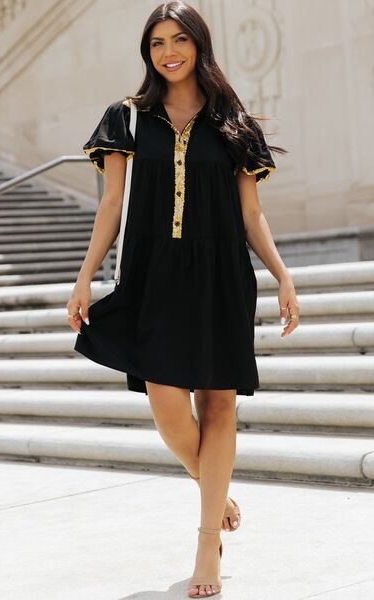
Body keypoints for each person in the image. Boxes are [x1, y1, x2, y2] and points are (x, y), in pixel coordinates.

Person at [67, 1, 300, 596]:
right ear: (147, 52)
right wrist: (85, 276)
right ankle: (216, 493)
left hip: (221, 275)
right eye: (157, 43)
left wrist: (282, 275)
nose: (168, 53)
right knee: (169, 410)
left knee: (218, 406)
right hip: (154, 276)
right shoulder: (125, 117)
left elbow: (252, 213)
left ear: (199, 44)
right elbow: (111, 204)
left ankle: (206, 545)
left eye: (179, 40)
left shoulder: (233, 123)